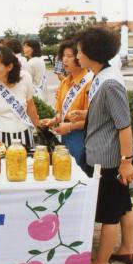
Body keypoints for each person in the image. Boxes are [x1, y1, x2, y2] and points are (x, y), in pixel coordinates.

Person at [72, 26, 133, 264]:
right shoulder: (104, 74)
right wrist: (87, 115)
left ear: (92, 53)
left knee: (109, 215)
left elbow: (124, 125)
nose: (77, 56)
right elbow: (109, 115)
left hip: (108, 160)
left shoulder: (109, 82)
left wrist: (126, 162)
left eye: (79, 52)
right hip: (106, 156)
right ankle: (127, 249)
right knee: (122, 206)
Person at [40, 40, 93, 169]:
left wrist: (69, 127)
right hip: (66, 133)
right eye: (63, 56)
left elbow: (93, 118)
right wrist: (53, 121)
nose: (65, 60)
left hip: (82, 136)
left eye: (69, 56)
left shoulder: (90, 82)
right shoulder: (64, 82)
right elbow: (61, 112)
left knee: (78, 171)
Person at [0, 46, 40, 149]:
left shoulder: (25, 78)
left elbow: (30, 106)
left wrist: (39, 129)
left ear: (9, 67)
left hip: (23, 134)